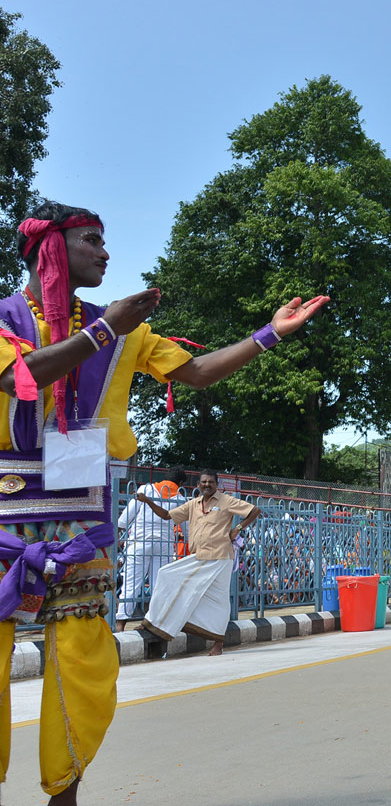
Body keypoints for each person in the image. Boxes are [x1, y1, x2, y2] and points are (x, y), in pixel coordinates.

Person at [0, 200, 327, 803]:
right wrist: (103, 331)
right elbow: (16, 377)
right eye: (92, 241)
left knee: (83, 668)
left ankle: (63, 795)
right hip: (5, 517)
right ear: (53, 250)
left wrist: (269, 335)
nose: (105, 252)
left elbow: (197, 371)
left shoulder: (125, 334)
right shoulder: (8, 321)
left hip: (82, 524)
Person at [142, 470, 261, 654]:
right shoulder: (193, 505)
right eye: (204, 482)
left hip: (220, 556)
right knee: (169, 575)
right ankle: (159, 623)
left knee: (218, 600)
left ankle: (217, 644)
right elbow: (167, 515)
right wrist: (148, 501)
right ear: (198, 485)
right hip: (200, 556)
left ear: (217, 484)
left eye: (211, 482)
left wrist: (237, 528)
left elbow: (254, 511)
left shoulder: (226, 501)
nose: (207, 485)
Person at [115, 466, 186, 631]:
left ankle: (120, 624)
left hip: (139, 543)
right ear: (181, 482)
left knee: (131, 583)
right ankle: (153, 622)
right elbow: (186, 527)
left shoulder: (145, 489)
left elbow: (124, 519)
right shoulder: (181, 498)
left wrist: (118, 535)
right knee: (158, 585)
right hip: (164, 546)